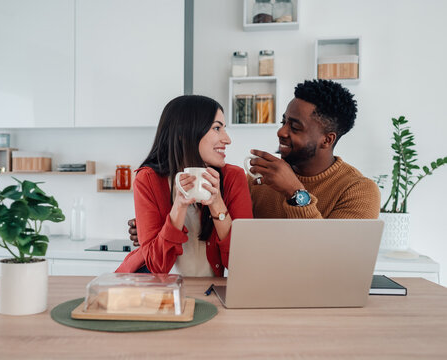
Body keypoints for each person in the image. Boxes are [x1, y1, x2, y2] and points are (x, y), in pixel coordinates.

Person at [127, 80, 380, 246]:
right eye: (283, 121)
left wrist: (295, 193)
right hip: (256, 293)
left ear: (327, 139)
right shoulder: (257, 182)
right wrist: (158, 230)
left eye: (294, 126)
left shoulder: (359, 191)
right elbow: (230, 235)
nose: (281, 132)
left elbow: (333, 257)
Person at [116, 95, 253, 276]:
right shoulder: (147, 179)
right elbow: (157, 265)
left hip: (208, 290)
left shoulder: (233, 178)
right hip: (159, 290)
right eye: (217, 128)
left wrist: (216, 203)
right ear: (183, 133)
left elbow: (243, 263)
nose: (227, 139)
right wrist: (179, 207)